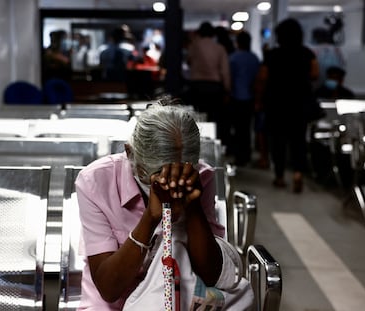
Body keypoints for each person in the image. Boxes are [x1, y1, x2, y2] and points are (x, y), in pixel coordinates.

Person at [74, 98, 253, 310]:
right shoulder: (95, 181)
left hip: (179, 299)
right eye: (159, 174)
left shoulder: (201, 177)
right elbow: (109, 289)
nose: (171, 183)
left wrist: (193, 206)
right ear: (131, 155)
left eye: (183, 173)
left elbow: (211, 274)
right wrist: (151, 218)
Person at [255, 18, 319, 193]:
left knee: (278, 141)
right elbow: (315, 73)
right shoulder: (307, 53)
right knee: (299, 140)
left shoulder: (273, 55)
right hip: (300, 103)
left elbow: (262, 78)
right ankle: (298, 173)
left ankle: (280, 176)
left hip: (277, 103)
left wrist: (259, 101)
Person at [186, 21, 231, 125]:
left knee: (197, 119)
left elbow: (188, 62)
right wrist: (227, 90)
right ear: (213, 33)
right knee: (214, 119)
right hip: (214, 87)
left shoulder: (194, 46)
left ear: (200, 32)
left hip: (197, 86)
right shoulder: (219, 48)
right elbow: (225, 71)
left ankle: (198, 140)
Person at [227, 30, 261, 166]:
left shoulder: (233, 58)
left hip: (236, 97)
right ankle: (246, 155)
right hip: (250, 98)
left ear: (238, 42)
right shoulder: (255, 58)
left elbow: (230, 78)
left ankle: (239, 156)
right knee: (247, 128)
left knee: (237, 128)